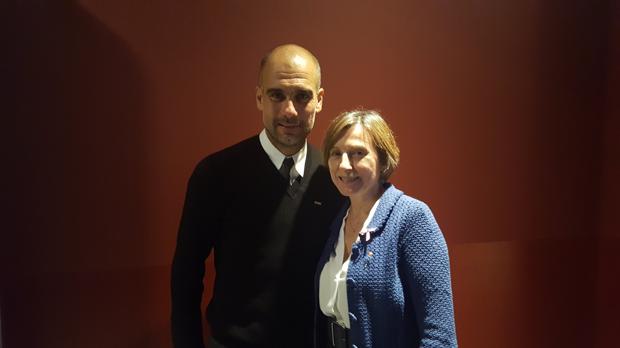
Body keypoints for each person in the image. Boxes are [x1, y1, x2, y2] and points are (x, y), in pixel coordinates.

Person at [171, 44, 344, 348]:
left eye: (302, 96)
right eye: (277, 95)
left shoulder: (336, 178)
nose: (289, 110)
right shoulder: (215, 174)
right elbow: (186, 274)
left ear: (319, 100)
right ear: (259, 97)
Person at [316, 110, 458, 347]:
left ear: (383, 159)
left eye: (357, 153)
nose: (343, 165)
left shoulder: (412, 219)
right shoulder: (336, 222)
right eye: (335, 153)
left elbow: (439, 337)